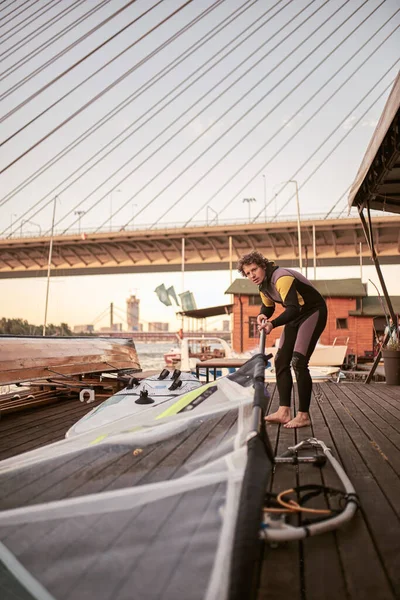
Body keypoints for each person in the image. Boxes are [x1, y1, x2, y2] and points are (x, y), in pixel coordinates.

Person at [238, 251, 327, 429]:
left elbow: (293, 308)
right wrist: (263, 314)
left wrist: (273, 324)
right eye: (247, 273)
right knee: (280, 361)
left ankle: (303, 416)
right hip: (295, 316)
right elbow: (268, 306)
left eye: (254, 270)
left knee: (299, 362)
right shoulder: (263, 286)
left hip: (312, 312)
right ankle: (284, 411)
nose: (252, 275)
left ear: (263, 266)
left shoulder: (281, 277)